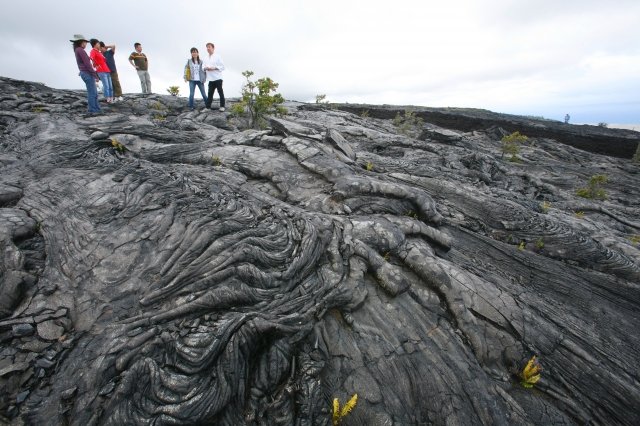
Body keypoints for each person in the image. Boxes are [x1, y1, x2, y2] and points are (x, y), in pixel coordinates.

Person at [70, 34, 101, 114]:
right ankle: (93, 110)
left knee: (94, 92)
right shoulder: (80, 50)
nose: (86, 44)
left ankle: (96, 109)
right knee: (92, 93)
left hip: (85, 73)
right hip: (87, 74)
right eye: (85, 42)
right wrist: (95, 75)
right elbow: (87, 64)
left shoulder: (77, 50)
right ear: (81, 42)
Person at [89, 39, 114, 103]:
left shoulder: (99, 52)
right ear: (95, 44)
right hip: (101, 71)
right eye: (98, 43)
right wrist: (96, 64)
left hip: (107, 70)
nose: (99, 45)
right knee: (106, 86)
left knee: (110, 86)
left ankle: (111, 98)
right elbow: (91, 58)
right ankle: (107, 98)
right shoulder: (93, 51)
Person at [203, 42, 225, 111]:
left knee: (220, 92)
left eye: (209, 47)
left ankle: (222, 106)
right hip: (210, 79)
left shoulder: (218, 56)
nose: (208, 48)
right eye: (207, 47)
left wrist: (214, 68)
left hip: (218, 78)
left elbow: (223, 67)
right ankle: (208, 107)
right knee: (210, 93)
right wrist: (205, 68)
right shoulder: (205, 58)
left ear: (213, 48)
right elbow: (202, 67)